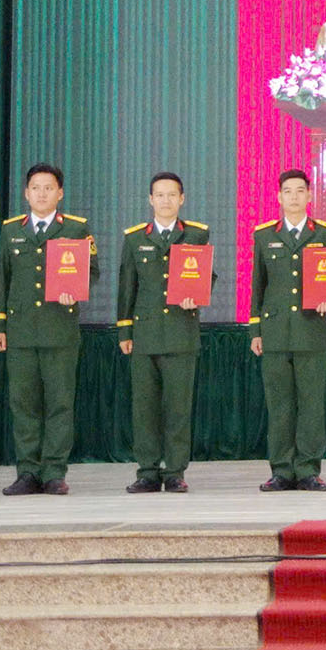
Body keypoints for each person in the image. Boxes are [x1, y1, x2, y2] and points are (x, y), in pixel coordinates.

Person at [0, 163, 98, 496]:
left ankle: (54, 472)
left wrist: (75, 290)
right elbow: (1, 279)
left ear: (59, 193)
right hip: (20, 330)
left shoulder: (76, 229)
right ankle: (27, 471)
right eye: (35, 188)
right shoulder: (11, 230)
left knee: (59, 404)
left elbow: (91, 270)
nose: (41, 194)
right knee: (23, 404)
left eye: (48, 188)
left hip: (59, 328)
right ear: (26, 193)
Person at [118, 171, 210, 493]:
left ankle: (174, 471)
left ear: (182, 199)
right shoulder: (135, 238)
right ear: (150, 199)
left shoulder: (196, 235)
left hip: (181, 333)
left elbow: (206, 276)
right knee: (144, 408)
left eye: (172, 195)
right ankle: (146, 471)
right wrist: (124, 331)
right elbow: (127, 287)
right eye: (160, 195)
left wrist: (196, 295)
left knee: (178, 408)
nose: (166, 200)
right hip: (144, 335)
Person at [249, 168, 326, 492]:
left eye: (300, 190)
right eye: (288, 191)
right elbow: (258, 285)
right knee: (279, 406)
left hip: (311, 330)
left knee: (311, 405)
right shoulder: (264, 235)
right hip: (274, 331)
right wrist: (255, 330)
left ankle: (308, 470)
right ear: (279, 196)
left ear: (310, 195)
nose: (294, 197)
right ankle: (281, 470)